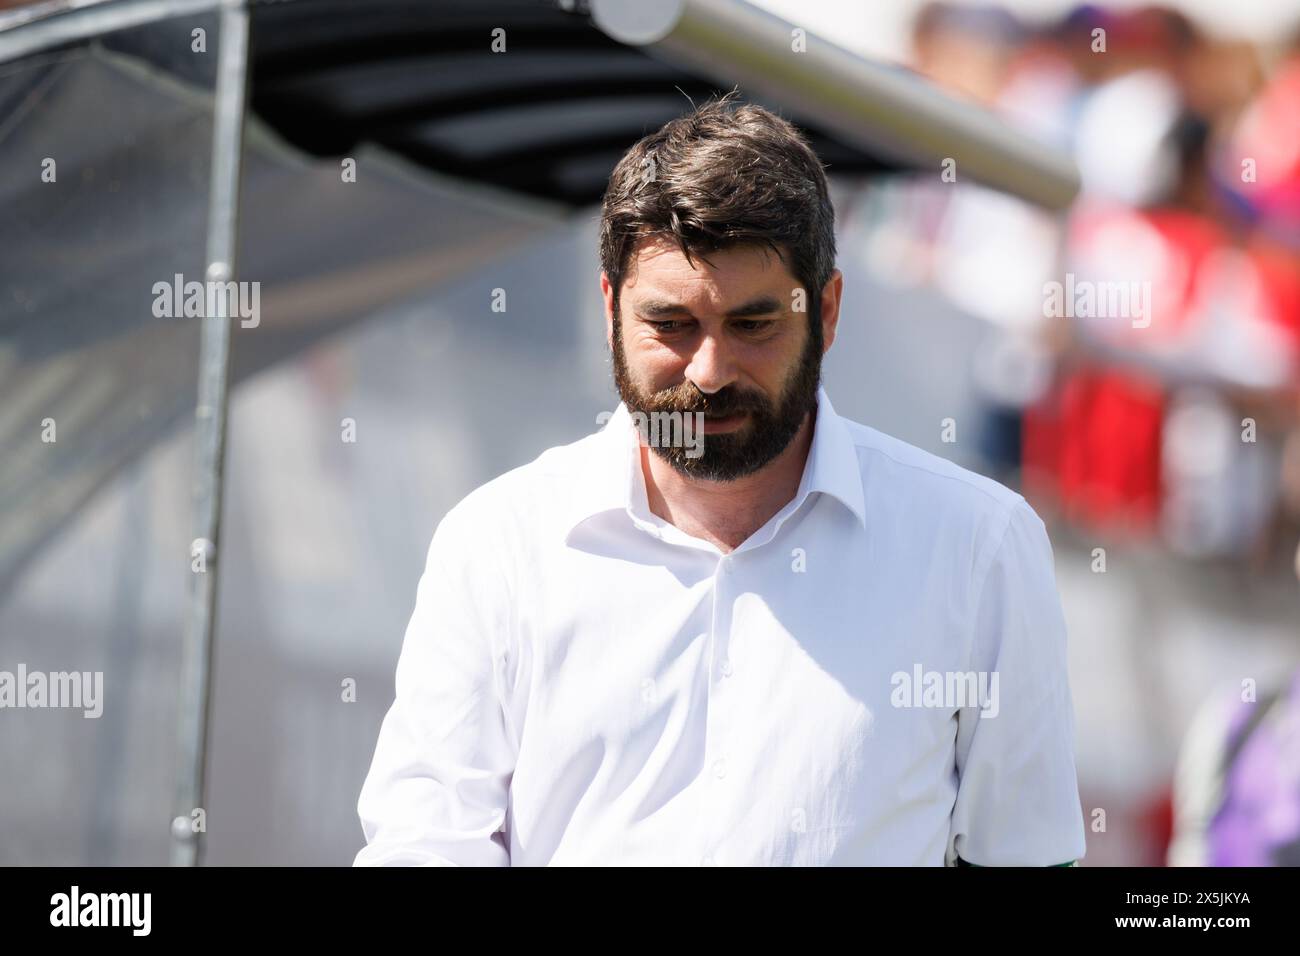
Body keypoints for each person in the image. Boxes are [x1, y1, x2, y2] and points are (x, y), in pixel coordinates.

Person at [353, 93, 1086, 866]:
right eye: (670, 325)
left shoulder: (978, 547)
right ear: (611, 312)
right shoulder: (498, 542)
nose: (708, 371)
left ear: (827, 312)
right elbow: (425, 848)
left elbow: (1025, 855)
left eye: (753, 325)